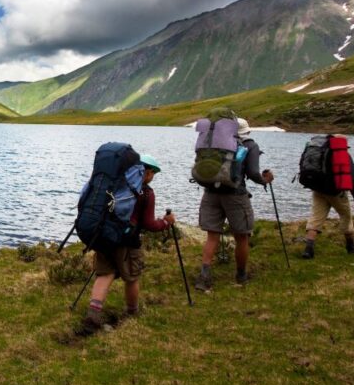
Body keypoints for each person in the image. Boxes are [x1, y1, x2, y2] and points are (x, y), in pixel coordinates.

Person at [80, 154, 174, 335]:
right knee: (131, 277)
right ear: (145, 173)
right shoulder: (146, 193)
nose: (153, 177)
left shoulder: (114, 184)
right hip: (128, 241)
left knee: (104, 274)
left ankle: (93, 313)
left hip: (104, 237)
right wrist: (166, 222)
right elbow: (148, 224)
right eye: (153, 173)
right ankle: (132, 312)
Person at [194, 118, 273, 291]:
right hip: (235, 195)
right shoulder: (250, 145)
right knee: (242, 236)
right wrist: (265, 180)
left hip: (211, 193)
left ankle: (204, 276)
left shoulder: (213, 143)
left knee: (212, 236)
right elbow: (252, 173)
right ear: (247, 132)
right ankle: (241, 275)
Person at [301, 134, 354, 259]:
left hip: (318, 190)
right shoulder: (342, 154)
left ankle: (308, 249)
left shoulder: (321, 150)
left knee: (316, 218)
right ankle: (351, 246)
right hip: (337, 192)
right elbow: (352, 178)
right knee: (346, 216)